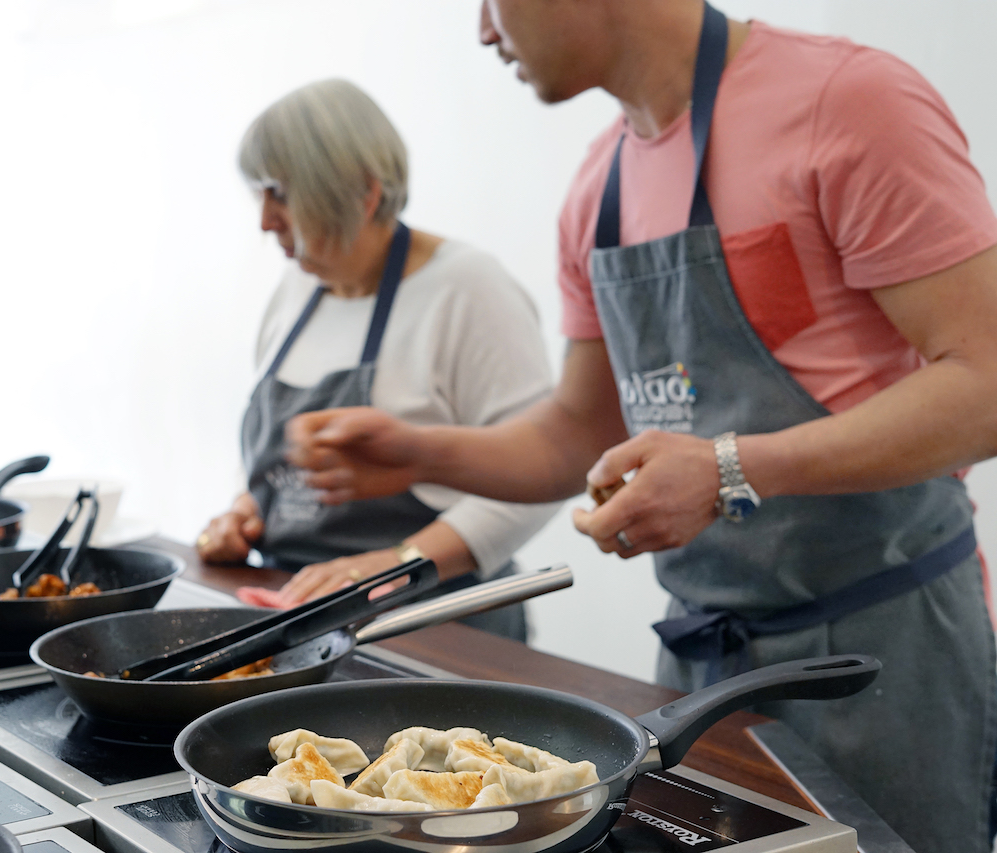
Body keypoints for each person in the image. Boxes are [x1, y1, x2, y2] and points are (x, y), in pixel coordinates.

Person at [283, 4, 997, 852]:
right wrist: (417, 452)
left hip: (884, 650)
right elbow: (575, 431)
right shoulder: (599, 188)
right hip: (701, 662)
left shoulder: (847, 103)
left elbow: (986, 383)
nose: (483, 30)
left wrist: (728, 468)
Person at [196, 79, 562, 641]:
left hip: (437, 628)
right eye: (259, 195)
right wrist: (249, 510)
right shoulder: (295, 291)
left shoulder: (467, 289)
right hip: (300, 616)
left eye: (280, 193)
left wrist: (397, 562)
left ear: (363, 194)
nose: (266, 221)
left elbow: (540, 480)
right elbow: (293, 471)